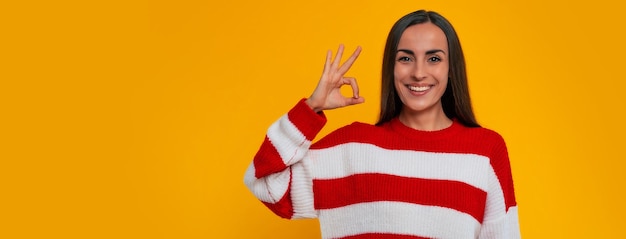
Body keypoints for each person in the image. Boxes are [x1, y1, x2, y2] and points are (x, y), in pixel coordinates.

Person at [244, 9, 520, 239]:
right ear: (392, 67)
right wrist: (311, 108)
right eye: (405, 58)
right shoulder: (352, 148)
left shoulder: (485, 151)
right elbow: (265, 183)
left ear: (451, 68)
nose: (419, 72)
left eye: (434, 58)